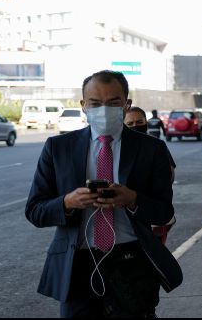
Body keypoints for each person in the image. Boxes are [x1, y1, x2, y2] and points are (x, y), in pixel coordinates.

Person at [25, 70, 182, 317]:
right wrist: (68, 202)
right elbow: (35, 211)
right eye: (96, 103)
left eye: (113, 102)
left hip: (131, 261)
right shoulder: (58, 148)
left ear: (126, 104)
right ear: (83, 106)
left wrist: (132, 199)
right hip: (77, 264)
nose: (104, 110)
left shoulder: (152, 149)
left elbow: (164, 212)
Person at [124, 106, 177, 246]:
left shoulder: (156, 146)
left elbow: (170, 175)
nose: (135, 126)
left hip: (152, 212)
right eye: (130, 123)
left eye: (139, 122)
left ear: (146, 122)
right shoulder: (118, 148)